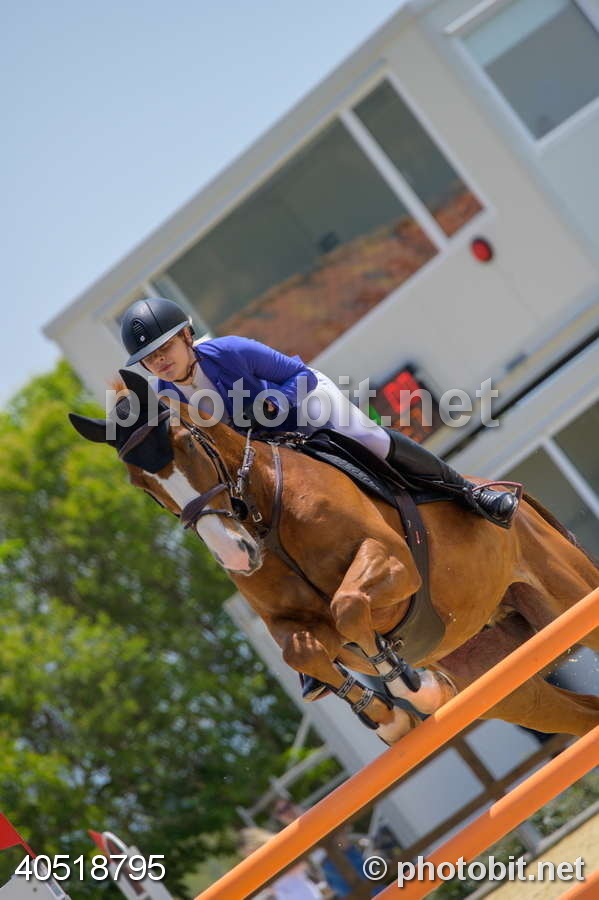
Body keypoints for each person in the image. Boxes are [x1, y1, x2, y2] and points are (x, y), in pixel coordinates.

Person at [120, 298, 519, 698]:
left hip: (304, 411)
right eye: (150, 358)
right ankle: (305, 649)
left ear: (187, 336)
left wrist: (277, 404)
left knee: (371, 439)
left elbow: (298, 374)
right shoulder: (166, 399)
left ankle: (467, 492)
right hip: (259, 458)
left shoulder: (230, 351)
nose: (160, 361)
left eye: (165, 348)